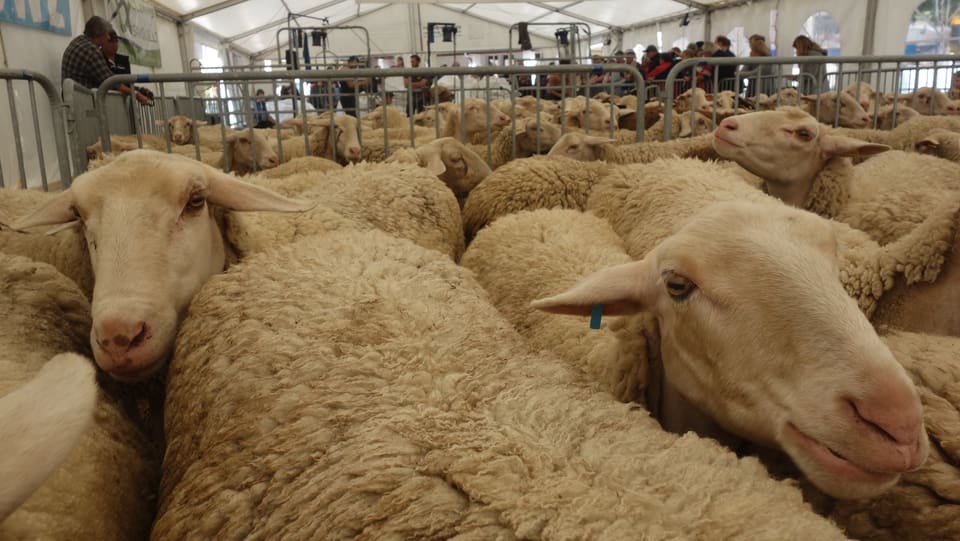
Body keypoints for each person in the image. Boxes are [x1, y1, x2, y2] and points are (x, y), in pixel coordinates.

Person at [61, 16, 148, 105]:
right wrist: (137, 94)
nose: (108, 38)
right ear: (99, 35)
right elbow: (111, 82)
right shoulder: (92, 51)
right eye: (107, 35)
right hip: (83, 106)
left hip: (70, 102)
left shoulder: (77, 41)